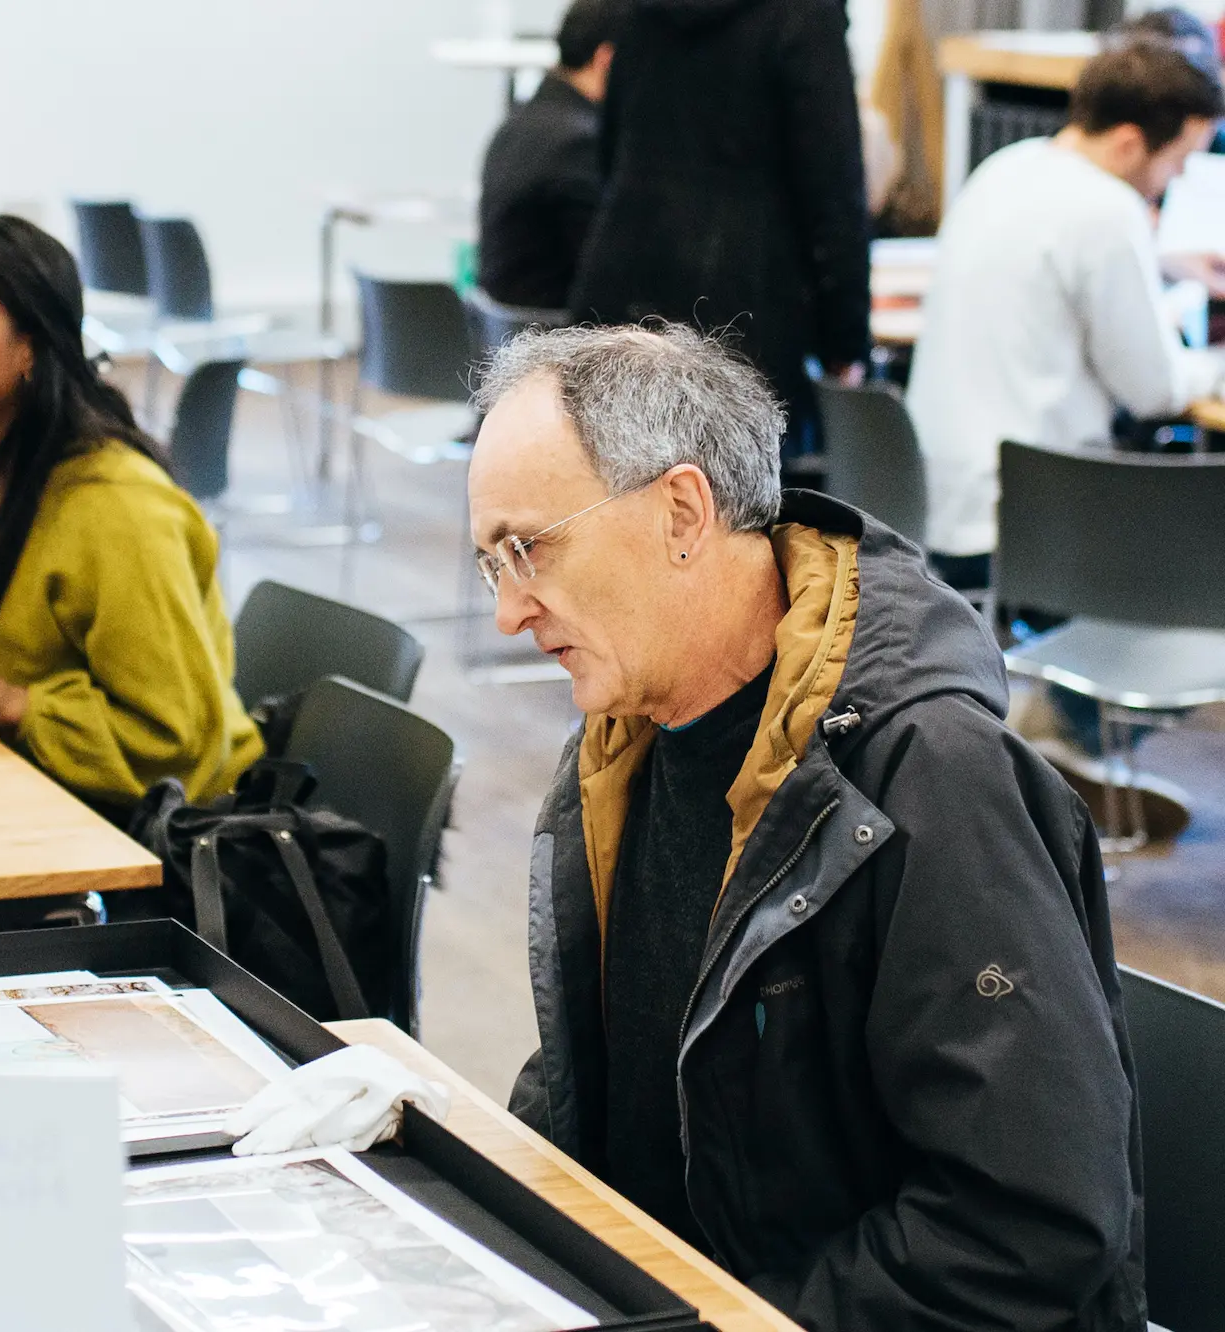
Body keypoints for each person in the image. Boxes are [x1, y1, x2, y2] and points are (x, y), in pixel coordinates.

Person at [460, 323, 1140, 1328]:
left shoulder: (932, 782)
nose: (509, 612)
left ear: (680, 512)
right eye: (491, 564)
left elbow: (1027, 1219)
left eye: (528, 548)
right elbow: (611, 1082)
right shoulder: (621, 747)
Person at [0, 216, 260, 815]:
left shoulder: (118, 508)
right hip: (12, 791)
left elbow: (175, 742)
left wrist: (8, 702)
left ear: (30, 346)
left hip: (160, 839)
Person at [907, 40, 1225, 588]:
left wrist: (1162, 268)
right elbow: (1153, 389)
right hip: (1028, 529)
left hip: (929, 503)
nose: (1175, 181)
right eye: (1179, 162)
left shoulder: (1007, 166)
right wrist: (1215, 364)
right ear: (1129, 143)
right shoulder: (1109, 210)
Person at [568, 0, 871, 461]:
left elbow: (609, 153)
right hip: (745, 311)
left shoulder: (638, 8)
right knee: (734, 514)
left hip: (624, 287)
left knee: (621, 497)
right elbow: (833, 189)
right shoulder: (802, 15)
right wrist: (845, 343)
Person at [476, 0, 625, 311]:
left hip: (511, 338)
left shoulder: (519, 124)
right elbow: (606, 274)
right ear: (607, 60)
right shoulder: (579, 142)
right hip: (555, 341)